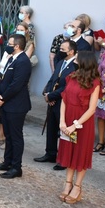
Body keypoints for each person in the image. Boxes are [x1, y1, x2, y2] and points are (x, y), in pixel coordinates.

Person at [57, 51, 101, 204]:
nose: (74, 60)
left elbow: (92, 109)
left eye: (77, 58)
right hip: (68, 118)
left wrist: (75, 126)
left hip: (83, 123)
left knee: (80, 154)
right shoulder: (72, 76)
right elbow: (64, 99)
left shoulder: (95, 82)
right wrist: (62, 121)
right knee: (69, 151)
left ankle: (77, 187)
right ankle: (67, 183)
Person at [0, 34, 32, 179]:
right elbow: (3, 79)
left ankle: (16, 167)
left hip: (16, 104)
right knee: (8, 135)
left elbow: (17, 84)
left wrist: (3, 97)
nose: (7, 45)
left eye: (10, 43)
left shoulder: (23, 61)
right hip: (6, 102)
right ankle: (7, 162)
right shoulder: (11, 58)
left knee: (15, 136)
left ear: (17, 46)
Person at [34, 40, 77, 171]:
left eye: (63, 49)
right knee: (51, 127)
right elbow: (53, 78)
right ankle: (50, 153)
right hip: (52, 99)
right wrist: (47, 92)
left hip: (64, 102)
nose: (60, 51)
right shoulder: (60, 62)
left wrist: (52, 96)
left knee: (63, 131)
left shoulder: (75, 66)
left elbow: (67, 86)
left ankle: (64, 159)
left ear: (71, 51)